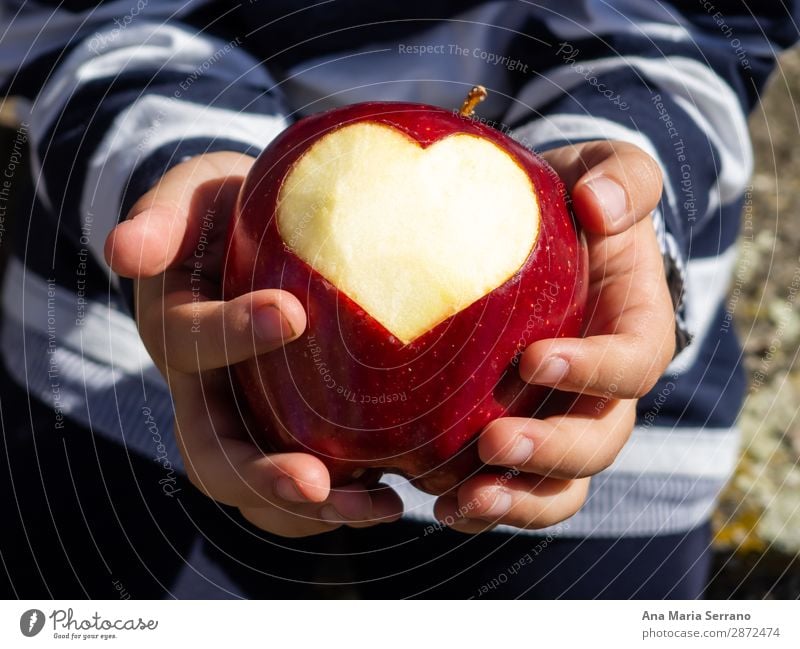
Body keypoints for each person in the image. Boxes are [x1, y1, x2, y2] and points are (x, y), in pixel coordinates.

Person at [0, 1, 795, 599]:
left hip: (582, 429)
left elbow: (719, 19)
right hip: (138, 380)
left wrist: (612, 206)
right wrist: (172, 172)